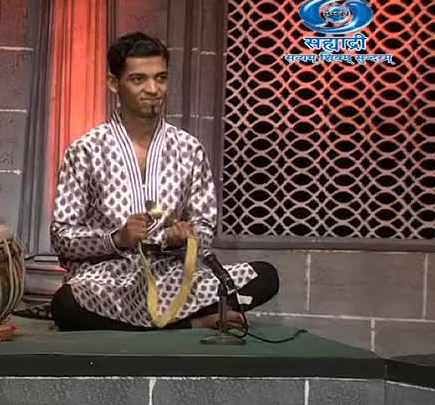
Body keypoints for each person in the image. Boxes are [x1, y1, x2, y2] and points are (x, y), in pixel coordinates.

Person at [49, 32, 279, 331]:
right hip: (109, 282)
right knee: (66, 305)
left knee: (265, 276)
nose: (153, 89)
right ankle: (193, 323)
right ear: (113, 83)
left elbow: (204, 226)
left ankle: (158, 324)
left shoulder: (189, 149)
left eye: (160, 78)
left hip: (174, 278)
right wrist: (117, 239)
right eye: (138, 79)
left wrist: (183, 237)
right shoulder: (86, 150)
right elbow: (62, 236)